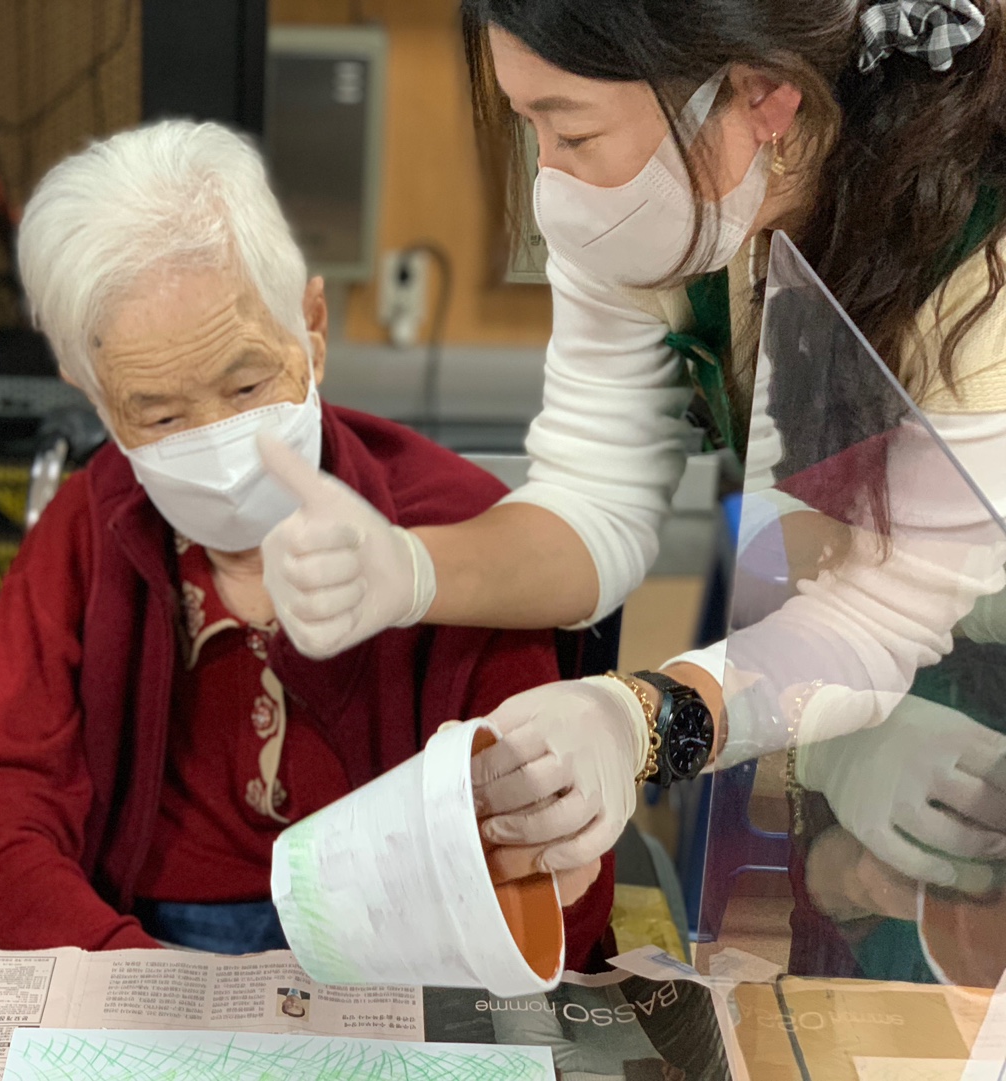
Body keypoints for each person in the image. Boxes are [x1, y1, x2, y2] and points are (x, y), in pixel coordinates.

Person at [254, 0, 1006, 975]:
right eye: (529, 125)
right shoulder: (672, 212)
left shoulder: (979, 271)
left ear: (764, 97)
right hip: (869, 676)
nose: (550, 180)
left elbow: (876, 617)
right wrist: (408, 567)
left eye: (572, 133)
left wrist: (638, 719)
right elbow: (594, 502)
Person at [0, 120, 613, 962]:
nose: (219, 444)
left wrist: (540, 865)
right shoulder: (87, 532)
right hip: (143, 936)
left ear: (312, 328)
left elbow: (562, 887)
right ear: (92, 394)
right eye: (160, 415)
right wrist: (129, 971)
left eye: (248, 384)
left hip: (401, 948)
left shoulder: (461, 531)